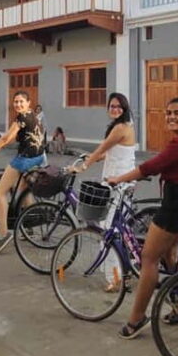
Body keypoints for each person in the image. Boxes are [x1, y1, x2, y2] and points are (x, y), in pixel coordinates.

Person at [107, 97, 178, 340]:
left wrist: (118, 179)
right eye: (168, 113)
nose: (171, 117)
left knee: (148, 258)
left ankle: (136, 319)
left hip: (177, 205)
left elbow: (150, 167)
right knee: (170, 255)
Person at [74, 93, 137, 291]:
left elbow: (103, 147)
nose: (115, 109)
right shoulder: (123, 126)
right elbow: (111, 152)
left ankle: (115, 278)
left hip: (117, 185)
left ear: (124, 108)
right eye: (111, 106)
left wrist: (84, 165)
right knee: (116, 230)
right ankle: (123, 273)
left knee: (108, 231)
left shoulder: (120, 127)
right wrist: (93, 158)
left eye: (119, 106)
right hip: (120, 183)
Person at [0, 90, 46, 255]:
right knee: (22, 190)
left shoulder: (21, 118)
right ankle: (29, 225)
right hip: (38, 157)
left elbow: (6, 138)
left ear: (29, 102)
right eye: (16, 102)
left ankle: (4, 234)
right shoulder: (33, 115)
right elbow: (12, 138)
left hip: (25, 159)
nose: (18, 104)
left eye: (21, 101)